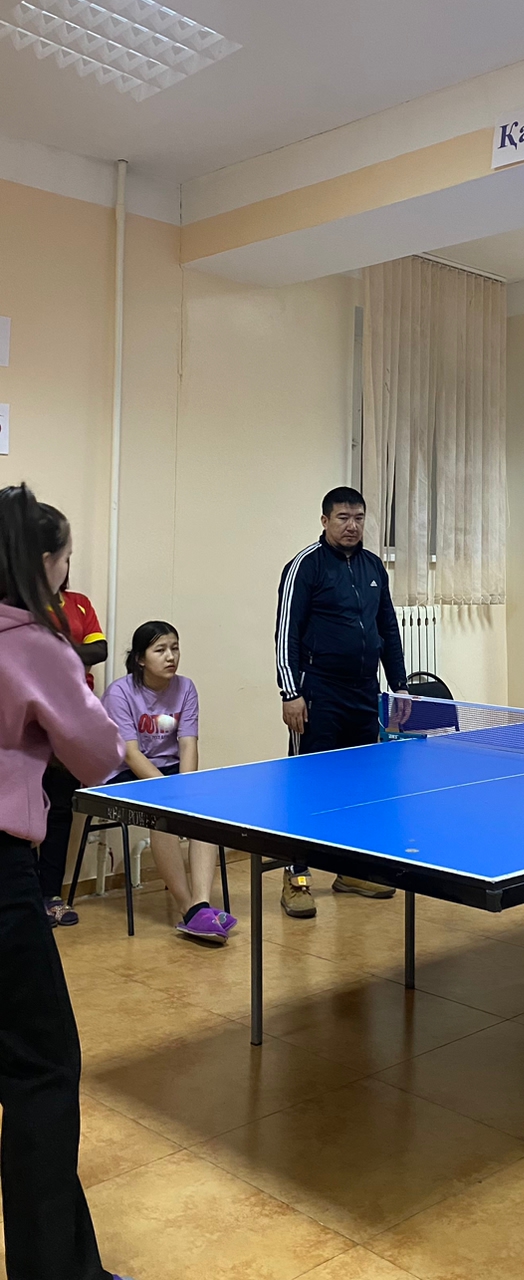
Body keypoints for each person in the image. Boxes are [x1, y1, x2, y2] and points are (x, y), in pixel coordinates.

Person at [0, 482, 134, 1280]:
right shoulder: (35, 644)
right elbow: (99, 755)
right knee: (42, 1070)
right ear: (44, 561)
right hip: (1, 879)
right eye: (65, 557)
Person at [275, 485, 409, 917]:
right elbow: (286, 633)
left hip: (364, 691)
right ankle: (297, 878)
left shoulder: (373, 567)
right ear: (325, 521)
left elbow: (387, 627)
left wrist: (399, 685)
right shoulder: (305, 566)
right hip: (318, 692)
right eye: (343, 518)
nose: (352, 526)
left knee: (361, 785)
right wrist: (290, 693)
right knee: (308, 786)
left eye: (358, 518)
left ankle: (351, 872)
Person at [101, 621, 237, 942]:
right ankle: (188, 909)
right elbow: (131, 754)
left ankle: (201, 904)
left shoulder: (186, 688)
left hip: (169, 771)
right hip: (126, 774)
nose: (170, 656)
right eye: (160, 650)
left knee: (203, 810)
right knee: (162, 813)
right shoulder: (120, 693)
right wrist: (170, 793)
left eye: (174, 648)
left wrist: (185, 790)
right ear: (140, 659)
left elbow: (188, 744)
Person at [37, 512, 108, 927]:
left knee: (59, 811)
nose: (67, 565)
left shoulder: (79, 603)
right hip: (33, 722)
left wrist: (56, 651)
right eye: (64, 557)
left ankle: (49, 895)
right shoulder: (20, 607)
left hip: (70, 722)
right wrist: (69, 653)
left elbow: (98, 649)